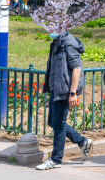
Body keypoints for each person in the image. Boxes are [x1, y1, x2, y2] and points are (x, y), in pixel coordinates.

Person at [36, 31, 93, 170]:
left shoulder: (68, 43)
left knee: (59, 124)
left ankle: (56, 159)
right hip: (57, 88)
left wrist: (72, 93)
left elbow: (77, 69)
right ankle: (82, 141)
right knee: (53, 122)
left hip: (65, 90)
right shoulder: (58, 42)